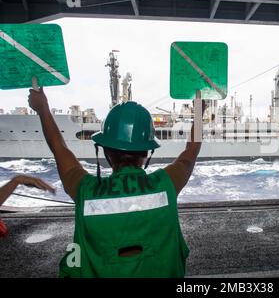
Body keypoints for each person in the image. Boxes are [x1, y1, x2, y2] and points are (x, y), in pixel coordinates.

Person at [28, 87, 205, 278]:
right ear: (147, 152)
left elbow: (58, 147)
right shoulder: (166, 185)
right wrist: (198, 112)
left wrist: (43, 108)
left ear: (105, 151)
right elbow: (191, 149)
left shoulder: (86, 191)